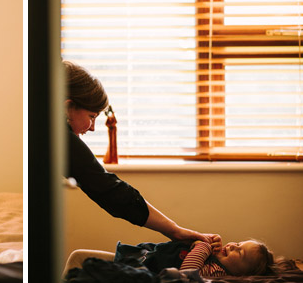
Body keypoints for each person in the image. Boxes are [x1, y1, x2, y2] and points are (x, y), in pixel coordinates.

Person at [63, 60, 219, 243]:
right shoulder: (59, 137)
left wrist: (175, 231)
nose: (92, 128)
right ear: (68, 108)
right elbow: (110, 191)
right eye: (92, 117)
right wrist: (175, 231)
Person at [64, 238, 275, 277]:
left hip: (139, 271)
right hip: (139, 258)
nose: (233, 246)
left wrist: (202, 247)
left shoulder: (217, 273)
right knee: (78, 256)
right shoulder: (214, 256)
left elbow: (187, 272)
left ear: (242, 273)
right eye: (238, 243)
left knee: (80, 262)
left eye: (239, 252)